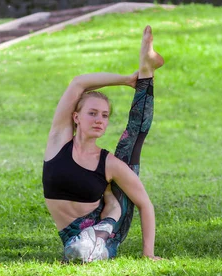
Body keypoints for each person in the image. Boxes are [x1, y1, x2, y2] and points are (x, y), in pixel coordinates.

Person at [42, 25, 164, 262]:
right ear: (76, 117)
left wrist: (148, 253)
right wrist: (127, 80)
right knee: (77, 251)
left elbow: (145, 204)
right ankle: (144, 72)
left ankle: (147, 68)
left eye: (105, 115)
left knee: (131, 143)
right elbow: (78, 84)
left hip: (110, 232)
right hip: (74, 239)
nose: (99, 120)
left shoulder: (110, 163)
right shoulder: (58, 141)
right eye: (93, 113)